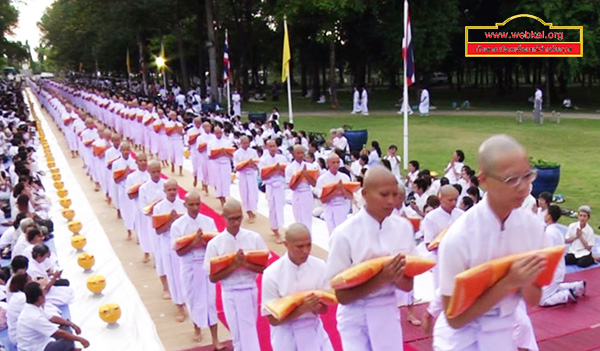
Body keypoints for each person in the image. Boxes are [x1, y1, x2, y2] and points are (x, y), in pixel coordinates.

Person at [433, 134, 546, 351]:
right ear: (484, 180)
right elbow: (454, 318)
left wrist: (527, 281)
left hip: (502, 333)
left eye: (527, 176)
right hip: (459, 340)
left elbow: (533, 299)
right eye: (511, 179)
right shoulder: (459, 237)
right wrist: (508, 282)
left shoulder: (532, 227)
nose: (523, 187)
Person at [325, 166, 416, 351]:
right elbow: (341, 296)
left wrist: (394, 275)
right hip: (355, 315)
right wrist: (381, 278)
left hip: (387, 310)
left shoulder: (403, 228)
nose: (391, 201)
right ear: (365, 194)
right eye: (384, 195)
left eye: (395, 194)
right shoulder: (344, 233)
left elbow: (407, 285)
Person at [204, 199, 267, 351]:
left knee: (249, 330)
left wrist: (245, 264)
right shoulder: (215, 244)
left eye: (239, 217)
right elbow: (212, 277)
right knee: (236, 334)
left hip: (249, 289)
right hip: (229, 291)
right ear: (223, 217)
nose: (236, 222)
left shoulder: (254, 238)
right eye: (232, 219)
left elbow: (264, 267)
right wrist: (233, 265)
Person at [262, 223, 334, 351]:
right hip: (286, 334)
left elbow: (324, 309)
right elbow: (272, 319)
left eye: (309, 245)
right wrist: (301, 309)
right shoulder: (272, 273)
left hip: (314, 330)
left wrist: (317, 306)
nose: (305, 251)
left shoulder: (319, 266)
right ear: (286, 244)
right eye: (299, 246)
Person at [170, 191, 223, 347]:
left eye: (197, 204)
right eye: (191, 204)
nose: (195, 207)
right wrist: (194, 242)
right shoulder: (178, 225)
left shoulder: (208, 221)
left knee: (210, 301)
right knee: (192, 300)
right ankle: (197, 328)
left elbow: (216, 245)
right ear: (185, 205)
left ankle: (215, 339)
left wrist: (205, 242)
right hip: (189, 266)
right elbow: (179, 251)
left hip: (206, 265)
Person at [420, 185, 464, 332]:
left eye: (456, 199)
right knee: (441, 290)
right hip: (441, 260)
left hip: (460, 258)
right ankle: (439, 325)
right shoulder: (431, 218)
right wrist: (444, 240)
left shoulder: (461, 215)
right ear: (441, 199)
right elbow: (428, 244)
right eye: (450, 200)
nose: (454, 203)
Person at [17, 282, 90, 351]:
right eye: (43, 293)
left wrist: (72, 324)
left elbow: (52, 318)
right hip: (36, 348)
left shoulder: (33, 307)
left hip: (41, 341)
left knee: (65, 326)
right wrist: (80, 339)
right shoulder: (35, 317)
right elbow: (58, 333)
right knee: (68, 340)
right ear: (39, 298)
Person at [153, 179, 187, 322]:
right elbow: (158, 230)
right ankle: (179, 306)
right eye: (169, 190)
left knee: (184, 274)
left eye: (174, 189)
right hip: (167, 243)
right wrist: (170, 221)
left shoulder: (184, 205)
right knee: (172, 275)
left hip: (183, 244)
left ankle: (187, 300)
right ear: (164, 191)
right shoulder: (159, 208)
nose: (172, 192)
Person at [540, 205, 586, 306]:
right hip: (558, 268)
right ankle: (576, 285)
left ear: (549, 216)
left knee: (542, 300)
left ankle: (566, 295)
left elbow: (549, 255)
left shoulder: (550, 233)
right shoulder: (556, 231)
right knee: (552, 288)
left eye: (546, 213)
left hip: (554, 271)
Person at [138, 161, 167, 288]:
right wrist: (155, 205)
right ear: (148, 172)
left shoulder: (166, 185)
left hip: (168, 224)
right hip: (153, 224)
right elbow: (144, 209)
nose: (156, 174)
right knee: (158, 253)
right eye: (153, 172)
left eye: (158, 171)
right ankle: (164, 285)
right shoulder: (144, 188)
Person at [316, 153, 353, 234]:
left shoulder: (345, 177)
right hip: (330, 208)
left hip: (342, 208)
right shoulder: (322, 179)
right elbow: (323, 199)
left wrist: (342, 190)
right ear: (328, 163)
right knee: (332, 234)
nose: (336, 165)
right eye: (333, 162)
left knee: (343, 233)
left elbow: (350, 196)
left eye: (337, 162)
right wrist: (335, 191)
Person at [259, 139, 288, 243]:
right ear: (267, 147)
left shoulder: (282, 158)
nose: (272, 148)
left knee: (280, 207)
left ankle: (277, 227)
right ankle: (276, 231)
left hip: (280, 186)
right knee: (272, 208)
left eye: (274, 146)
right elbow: (263, 175)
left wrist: (279, 170)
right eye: (270, 146)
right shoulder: (263, 160)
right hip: (270, 186)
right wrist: (273, 170)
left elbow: (286, 172)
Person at [286, 145, 317, 232]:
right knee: (298, 217)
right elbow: (292, 187)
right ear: (293, 154)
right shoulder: (290, 168)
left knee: (307, 218)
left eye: (302, 153)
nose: (300, 155)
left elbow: (314, 184)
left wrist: (307, 175)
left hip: (307, 193)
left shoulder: (310, 166)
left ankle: (308, 236)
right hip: (297, 193)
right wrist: (300, 176)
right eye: (298, 153)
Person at [125, 153, 151, 257]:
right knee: (143, 231)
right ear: (136, 162)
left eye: (145, 160)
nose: (143, 162)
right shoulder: (132, 177)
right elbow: (130, 195)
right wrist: (141, 188)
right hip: (139, 207)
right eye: (141, 161)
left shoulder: (151, 175)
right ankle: (146, 252)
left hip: (151, 208)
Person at [233, 136, 259, 223]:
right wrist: (245, 164)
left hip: (251, 175)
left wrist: (252, 165)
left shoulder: (253, 152)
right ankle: (249, 213)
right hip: (243, 176)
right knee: (245, 194)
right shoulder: (237, 153)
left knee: (253, 194)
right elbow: (236, 167)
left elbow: (257, 165)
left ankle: (252, 210)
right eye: (244, 143)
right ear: (240, 143)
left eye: (247, 143)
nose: (246, 145)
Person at [207, 126, 233, 207]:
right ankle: (222, 199)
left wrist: (225, 153)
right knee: (218, 182)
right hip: (216, 164)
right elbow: (209, 156)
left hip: (225, 164)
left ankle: (224, 197)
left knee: (225, 181)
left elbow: (232, 154)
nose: (219, 134)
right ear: (214, 133)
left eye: (220, 133)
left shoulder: (227, 142)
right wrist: (218, 153)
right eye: (217, 133)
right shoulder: (211, 143)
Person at [112, 142, 137, 225]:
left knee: (134, 211)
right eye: (124, 150)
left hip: (133, 190)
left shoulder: (134, 162)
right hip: (122, 189)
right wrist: (125, 174)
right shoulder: (116, 164)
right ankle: (128, 229)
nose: (126, 152)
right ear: (121, 151)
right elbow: (116, 180)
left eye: (127, 150)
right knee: (125, 211)